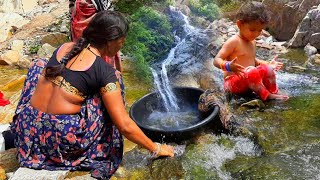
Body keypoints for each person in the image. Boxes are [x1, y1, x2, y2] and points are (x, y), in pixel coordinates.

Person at [10, 11, 174, 179]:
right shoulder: (104, 72)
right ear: (110, 41)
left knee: (39, 65)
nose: (121, 46)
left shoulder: (64, 48)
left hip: (28, 133)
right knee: (112, 89)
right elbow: (124, 125)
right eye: (121, 41)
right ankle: (99, 149)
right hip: (58, 144)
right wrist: (156, 148)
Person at [213, 1, 289, 101]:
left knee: (267, 68)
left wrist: (268, 64)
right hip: (233, 84)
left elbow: (253, 61)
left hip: (249, 81)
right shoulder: (233, 41)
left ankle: (273, 91)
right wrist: (228, 66)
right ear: (239, 24)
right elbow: (216, 60)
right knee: (251, 70)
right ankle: (267, 96)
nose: (256, 34)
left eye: (260, 30)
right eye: (252, 30)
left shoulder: (252, 42)